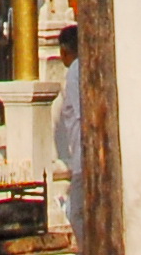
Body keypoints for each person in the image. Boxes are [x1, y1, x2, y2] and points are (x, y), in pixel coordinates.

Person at [50, 26, 82, 229]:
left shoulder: (74, 72)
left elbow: (81, 115)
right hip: (82, 157)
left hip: (83, 159)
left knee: (76, 213)